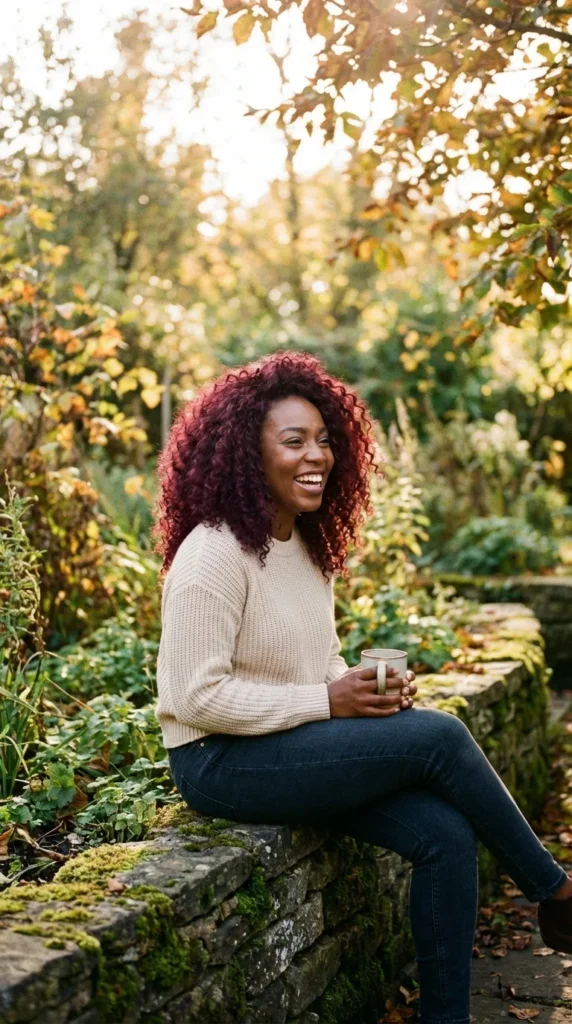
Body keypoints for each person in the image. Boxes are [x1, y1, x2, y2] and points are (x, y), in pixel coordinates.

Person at [153, 350, 572, 1024]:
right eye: (294, 441)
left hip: (285, 744)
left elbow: (319, 660)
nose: (316, 455)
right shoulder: (213, 553)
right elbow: (193, 699)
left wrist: (360, 693)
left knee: (444, 833)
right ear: (245, 452)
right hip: (217, 761)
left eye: (324, 440)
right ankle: (555, 892)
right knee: (439, 735)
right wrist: (329, 701)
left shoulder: (302, 546)